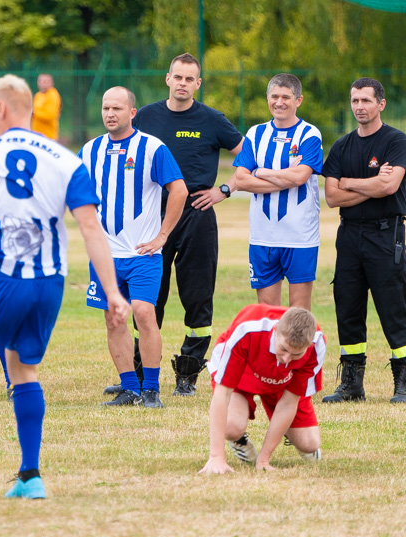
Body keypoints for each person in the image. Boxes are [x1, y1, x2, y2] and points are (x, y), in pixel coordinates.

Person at [0, 74, 129, 499]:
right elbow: (91, 228)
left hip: (0, 276)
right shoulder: (64, 158)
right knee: (23, 368)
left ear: (2, 109)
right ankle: (30, 476)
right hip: (49, 282)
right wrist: (113, 292)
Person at [120, 52, 244, 397]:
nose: (183, 84)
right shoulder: (145, 117)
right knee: (148, 297)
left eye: (190, 79)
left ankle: (188, 375)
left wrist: (224, 189)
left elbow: (248, 155)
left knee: (198, 296)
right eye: (178, 77)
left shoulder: (212, 120)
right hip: (152, 215)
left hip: (197, 214)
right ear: (168, 79)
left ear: (198, 84)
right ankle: (142, 373)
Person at [79, 86, 188, 409]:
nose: (110, 114)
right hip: (105, 256)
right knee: (114, 319)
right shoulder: (89, 151)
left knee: (143, 312)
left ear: (132, 113)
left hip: (143, 254)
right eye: (105, 108)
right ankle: (130, 388)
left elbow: (179, 191)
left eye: (116, 108)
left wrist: (162, 236)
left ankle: (151, 388)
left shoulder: (152, 148)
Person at [322, 77, 406, 404]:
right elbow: (331, 197)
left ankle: (402, 379)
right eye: (355, 100)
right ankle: (351, 383)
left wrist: (349, 183)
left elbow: (389, 187)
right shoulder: (342, 146)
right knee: (348, 305)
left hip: (387, 233)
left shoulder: (396, 141)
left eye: (366, 101)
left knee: (394, 305)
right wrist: (370, 183)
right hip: (350, 235)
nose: (360, 107)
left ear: (381, 104)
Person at [230, 74, 323, 311]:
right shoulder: (255, 133)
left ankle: (299, 351)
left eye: (286, 97)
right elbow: (241, 179)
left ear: (298, 100)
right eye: (274, 96)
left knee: (298, 311)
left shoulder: (310, 134)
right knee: (267, 311)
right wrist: (285, 177)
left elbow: (301, 177)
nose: (279, 102)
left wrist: (260, 172)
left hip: (300, 237)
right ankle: (273, 351)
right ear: (267, 98)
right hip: (263, 236)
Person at [199, 305, 325, 474]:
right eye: (284, 349)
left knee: (310, 444)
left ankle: (286, 431)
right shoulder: (246, 330)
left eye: (296, 355)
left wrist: (264, 459)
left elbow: (289, 402)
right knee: (231, 427)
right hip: (245, 370)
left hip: (283, 380)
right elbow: (222, 394)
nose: (287, 359)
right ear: (275, 331)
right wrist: (216, 457)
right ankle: (238, 440)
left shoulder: (317, 343)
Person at [32, 73, 61, 141]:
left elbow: (50, 115)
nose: (43, 83)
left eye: (46, 81)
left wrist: (34, 113)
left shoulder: (53, 95)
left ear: (52, 83)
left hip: (48, 136)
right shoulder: (38, 96)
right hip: (37, 134)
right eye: (41, 81)